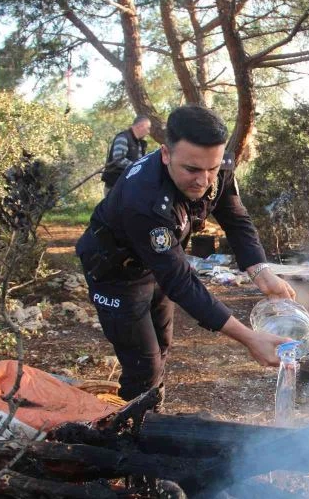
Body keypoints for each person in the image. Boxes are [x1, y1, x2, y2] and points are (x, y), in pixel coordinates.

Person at [76, 105, 296, 403]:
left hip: (157, 265)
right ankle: (133, 433)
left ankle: (151, 412)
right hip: (115, 273)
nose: (203, 180)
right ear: (166, 154)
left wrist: (262, 273)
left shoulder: (218, 166)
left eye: (212, 169)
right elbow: (181, 282)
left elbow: (235, 218)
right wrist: (249, 338)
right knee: (144, 365)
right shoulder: (143, 199)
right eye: (191, 169)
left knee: (162, 347)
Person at [101, 115, 152, 197]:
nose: (149, 132)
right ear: (140, 126)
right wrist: (139, 167)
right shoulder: (123, 137)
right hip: (114, 186)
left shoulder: (140, 143)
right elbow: (118, 159)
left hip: (128, 186)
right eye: (148, 128)